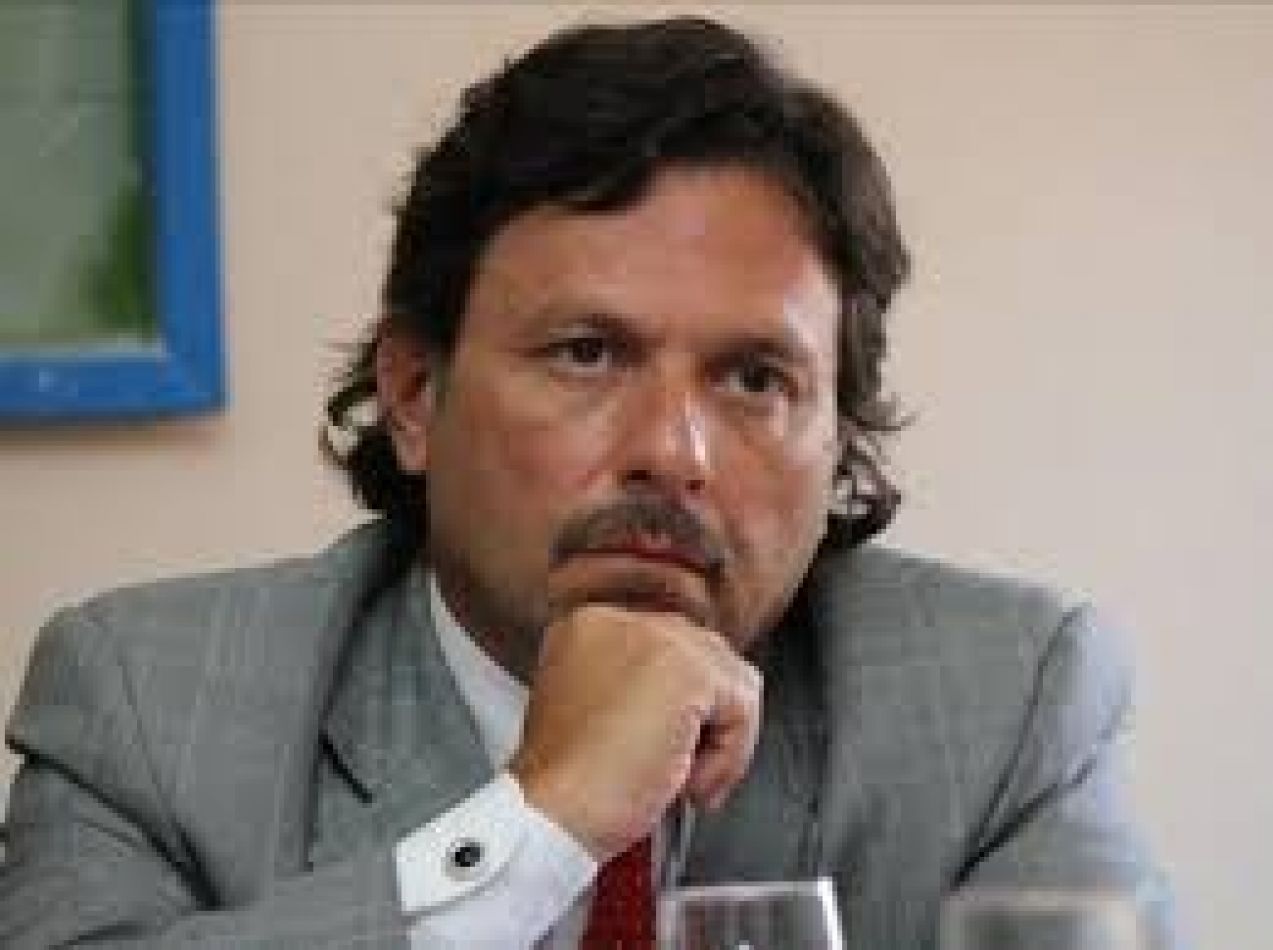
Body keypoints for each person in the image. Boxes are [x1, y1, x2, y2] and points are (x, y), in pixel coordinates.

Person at [0, 16, 1179, 950]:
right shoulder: (150, 707)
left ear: (839, 433)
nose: (675, 450)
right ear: (412, 394)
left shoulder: (1002, 701)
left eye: (754, 378)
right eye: (587, 353)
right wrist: (541, 820)